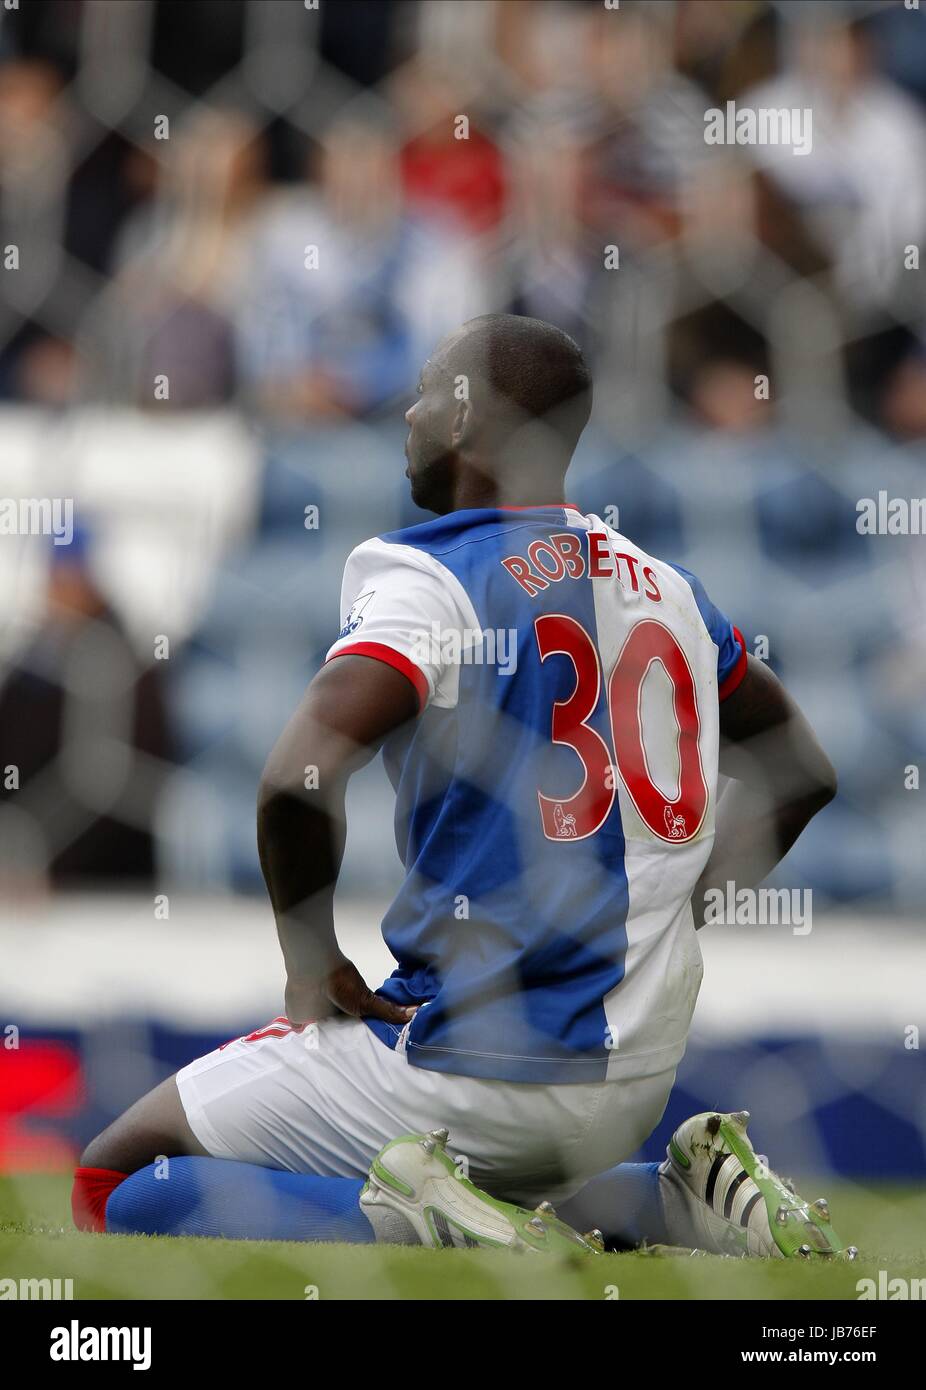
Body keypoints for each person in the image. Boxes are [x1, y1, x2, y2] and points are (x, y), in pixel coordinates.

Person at [73, 315, 849, 1258]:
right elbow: (802, 770)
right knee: (470, 1160)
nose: (409, 411)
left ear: (471, 411)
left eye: (429, 390)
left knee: (120, 1178)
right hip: (634, 1079)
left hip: (464, 1064)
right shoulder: (669, 589)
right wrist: (683, 912)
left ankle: (420, 1225)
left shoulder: (433, 578)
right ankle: (677, 1197)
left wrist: (311, 959)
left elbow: (296, 776)